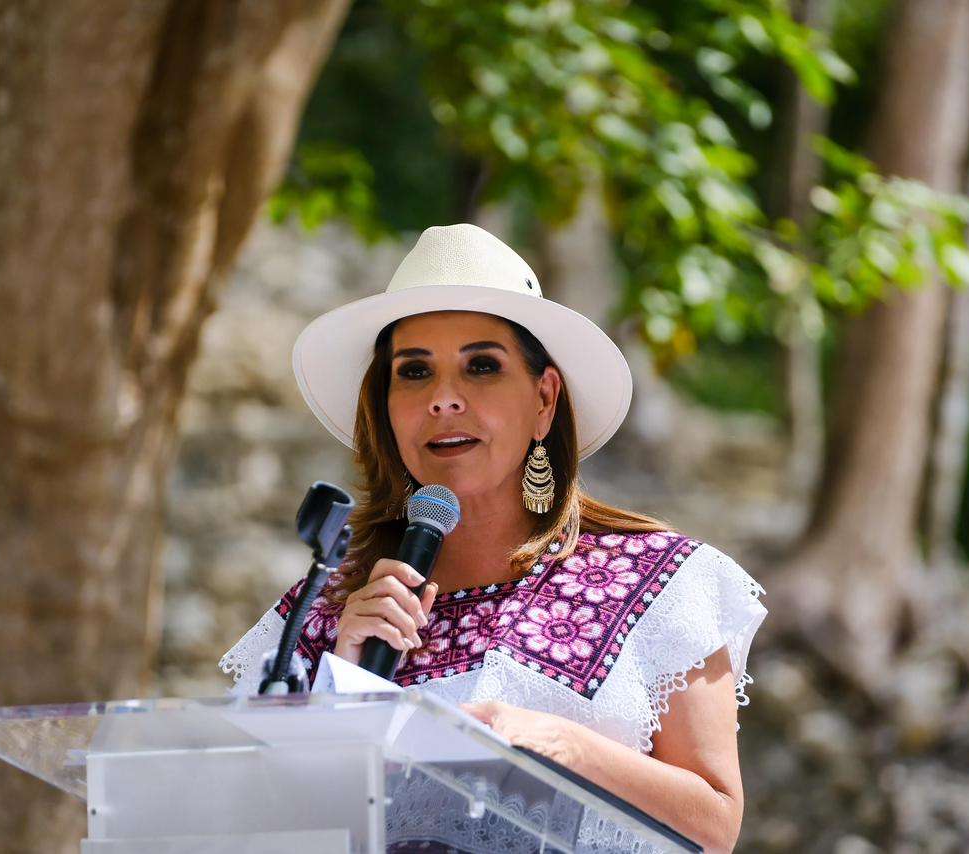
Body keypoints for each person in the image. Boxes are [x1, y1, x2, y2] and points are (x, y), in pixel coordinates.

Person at [220, 222, 768, 852]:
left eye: (481, 366)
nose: (443, 399)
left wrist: (566, 746)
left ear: (545, 398)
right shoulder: (320, 611)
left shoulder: (660, 581)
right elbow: (249, 827)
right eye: (414, 371)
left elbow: (714, 825)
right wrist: (342, 677)